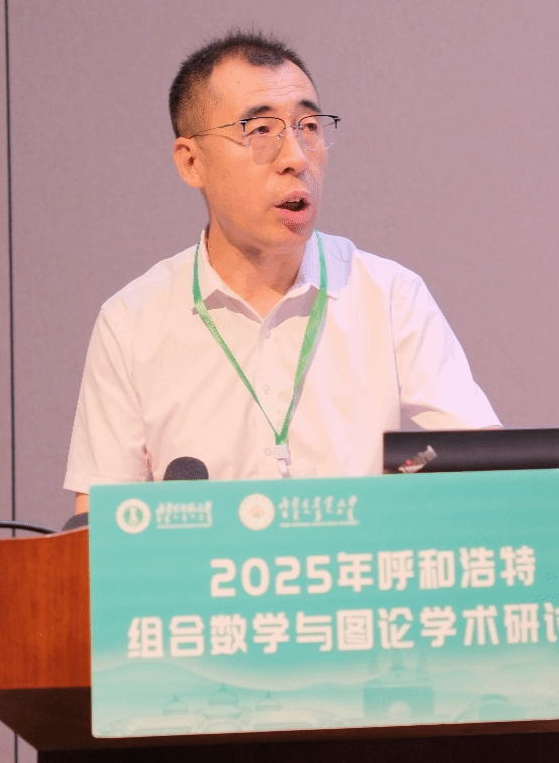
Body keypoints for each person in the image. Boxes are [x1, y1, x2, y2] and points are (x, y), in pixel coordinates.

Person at [65, 31, 497, 514]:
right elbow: (95, 527)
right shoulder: (132, 322)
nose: (296, 158)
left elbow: (490, 469)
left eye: (308, 126)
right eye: (260, 130)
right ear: (191, 162)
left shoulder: (391, 297)